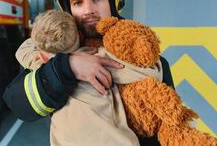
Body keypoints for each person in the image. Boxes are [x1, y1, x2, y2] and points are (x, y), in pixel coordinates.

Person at [3, 0, 174, 145]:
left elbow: (166, 130)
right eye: (77, 2)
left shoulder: (150, 61)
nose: (88, 10)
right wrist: (67, 67)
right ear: (68, 10)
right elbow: (17, 103)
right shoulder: (50, 52)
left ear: (113, 0)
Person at [25, 9, 143, 146]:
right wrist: (70, 63)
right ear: (80, 36)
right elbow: (150, 72)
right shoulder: (99, 58)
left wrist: (62, 63)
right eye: (78, 3)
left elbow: (24, 48)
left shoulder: (39, 65)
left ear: (42, 57)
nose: (88, 10)